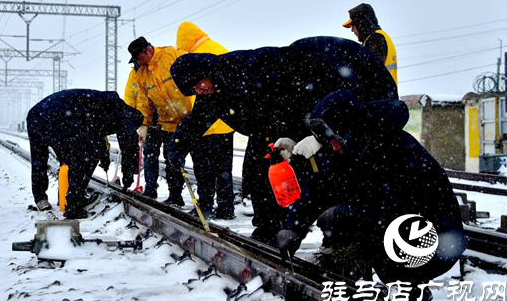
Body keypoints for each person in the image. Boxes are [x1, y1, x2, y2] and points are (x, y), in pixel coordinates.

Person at [167, 36, 398, 245]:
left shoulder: (252, 68)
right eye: (193, 90)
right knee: (258, 170)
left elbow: (295, 99)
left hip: (317, 108)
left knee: (322, 171)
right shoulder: (212, 91)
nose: (199, 91)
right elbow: (197, 119)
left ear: (207, 70)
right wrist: (178, 146)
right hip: (273, 125)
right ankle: (269, 228)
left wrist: (307, 135)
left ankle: (335, 234)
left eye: (198, 84)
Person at [276, 89, 465, 301]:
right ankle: (376, 279)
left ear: (349, 128)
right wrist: (293, 227)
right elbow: (320, 187)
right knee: (345, 219)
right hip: (405, 230)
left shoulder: (396, 149)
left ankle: (411, 286)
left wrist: (341, 213)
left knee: (351, 220)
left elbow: (394, 210)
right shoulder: (356, 144)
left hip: (435, 240)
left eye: (335, 139)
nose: (333, 147)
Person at [27, 89, 143, 219]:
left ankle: (40, 198)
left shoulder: (106, 105)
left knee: (40, 157)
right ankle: (74, 205)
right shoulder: (124, 115)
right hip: (60, 115)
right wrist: (128, 176)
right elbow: (129, 148)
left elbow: (97, 135)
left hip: (36, 115)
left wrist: (104, 157)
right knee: (84, 157)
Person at [176, 22, 236, 219]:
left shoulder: (196, 57)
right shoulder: (218, 48)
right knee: (224, 169)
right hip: (226, 123)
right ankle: (226, 208)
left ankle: (205, 206)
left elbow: (202, 95)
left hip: (205, 122)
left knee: (203, 169)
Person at [128, 36, 193, 208]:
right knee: (171, 159)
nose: (138, 62)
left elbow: (193, 77)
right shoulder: (141, 74)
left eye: (139, 57)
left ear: (148, 51)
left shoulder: (171, 55)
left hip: (192, 119)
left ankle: (205, 202)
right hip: (168, 122)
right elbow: (144, 102)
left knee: (199, 162)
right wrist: (144, 123)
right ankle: (175, 196)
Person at [124, 64, 167, 199]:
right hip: (146, 121)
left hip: (164, 118)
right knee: (149, 155)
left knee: (168, 156)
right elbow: (130, 98)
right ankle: (150, 187)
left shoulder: (156, 70)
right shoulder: (134, 75)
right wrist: (134, 120)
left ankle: (174, 193)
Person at [343, 3, 398, 85]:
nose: (352, 30)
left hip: (381, 95)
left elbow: (370, 72)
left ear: (360, 23)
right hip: (386, 94)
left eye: (352, 25)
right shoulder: (379, 37)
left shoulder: (376, 39)